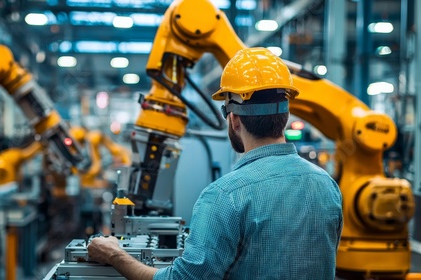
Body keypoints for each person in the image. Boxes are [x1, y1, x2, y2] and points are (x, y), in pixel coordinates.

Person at [87, 47, 343, 280]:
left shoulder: (225, 196)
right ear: (285, 117)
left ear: (234, 120)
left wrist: (115, 255)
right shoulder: (327, 186)